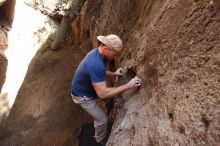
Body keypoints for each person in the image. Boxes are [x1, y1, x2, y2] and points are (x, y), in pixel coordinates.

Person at [71, 34, 142, 146]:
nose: (115, 58)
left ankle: (107, 110)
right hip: (82, 96)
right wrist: (128, 85)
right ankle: (99, 140)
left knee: (107, 98)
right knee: (102, 119)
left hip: (86, 88)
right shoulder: (95, 63)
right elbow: (103, 94)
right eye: (114, 54)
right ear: (105, 48)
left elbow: (100, 72)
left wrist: (114, 74)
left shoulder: (97, 54)